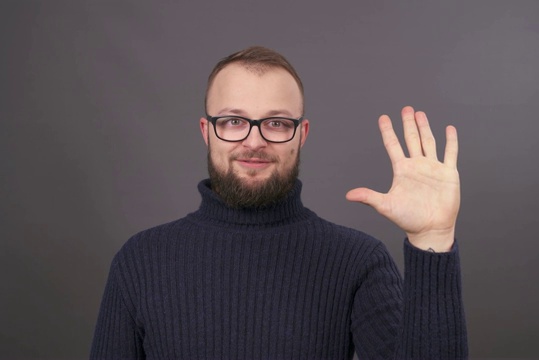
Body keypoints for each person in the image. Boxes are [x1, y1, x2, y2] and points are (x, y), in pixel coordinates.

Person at [90, 46, 468, 359]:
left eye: (275, 123)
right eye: (234, 121)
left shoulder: (357, 261)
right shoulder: (140, 260)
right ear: (207, 132)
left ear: (300, 135)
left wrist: (432, 240)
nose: (254, 142)